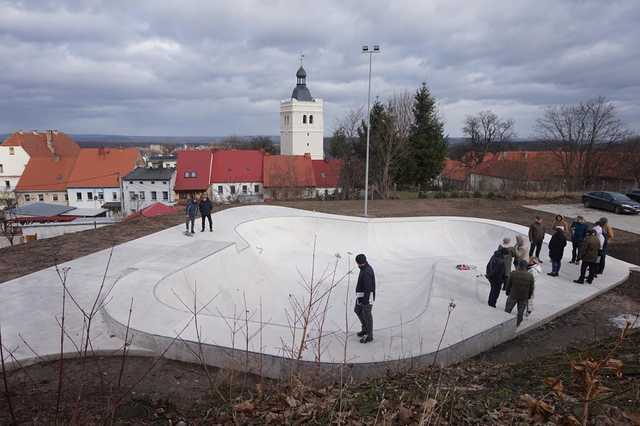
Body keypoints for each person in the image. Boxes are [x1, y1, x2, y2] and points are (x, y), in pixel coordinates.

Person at [504, 260, 535, 326]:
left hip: (513, 295)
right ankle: (517, 325)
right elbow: (531, 288)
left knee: (507, 310)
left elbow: (508, 284)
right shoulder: (530, 276)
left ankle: (504, 323)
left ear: (518, 265)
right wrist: (528, 296)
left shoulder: (513, 273)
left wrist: (507, 292)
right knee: (520, 313)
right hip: (524, 297)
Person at [354, 254, 375, 344]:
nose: (357, 265)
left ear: (360, 263)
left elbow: (368, 288)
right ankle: (365, 329)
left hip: (366, 298)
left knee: (367, 315)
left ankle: (369, 335)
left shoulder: (367, 272)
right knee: (357, 310)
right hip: (361, 296)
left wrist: (365, 301)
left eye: (357, 263)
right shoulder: (363, 268)